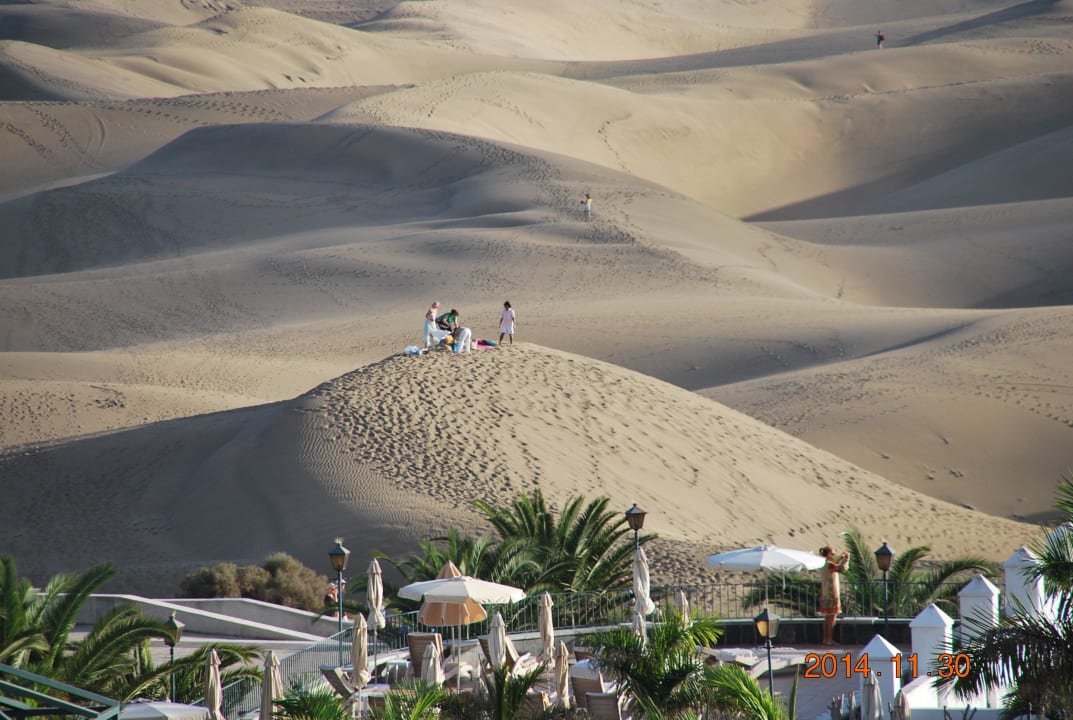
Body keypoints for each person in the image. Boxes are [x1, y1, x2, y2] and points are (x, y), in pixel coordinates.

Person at [819, 545, 850, 645]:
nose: (833, 555)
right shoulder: (829, 565)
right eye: (832, 553)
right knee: (832, 617)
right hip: (831, 594)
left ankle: (825, 639)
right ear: (827, 554)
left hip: (825, 593)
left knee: (827, 617)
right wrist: (847, 560)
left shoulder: (824, 564)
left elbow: (834, 566)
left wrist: (840, 558)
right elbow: (842, 568)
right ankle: (829, 639)